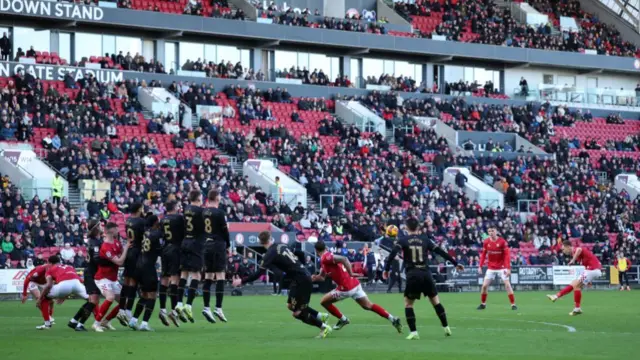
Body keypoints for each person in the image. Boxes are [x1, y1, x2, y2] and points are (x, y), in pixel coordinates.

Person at [233, 231, 333, 339]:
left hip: (301, 281)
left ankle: (324, 327)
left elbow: (258, 273)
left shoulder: (269, 254)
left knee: (298, 312)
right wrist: (302, 267)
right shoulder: (281, 245)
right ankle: (320, 316)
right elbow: (300, 253)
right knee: (290, 306)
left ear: (261, 243)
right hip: (299, 278)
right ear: (270, 238)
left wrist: (241, 281)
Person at [384, 218, 463, 340]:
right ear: (418, 227)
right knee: (436, 302)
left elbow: (393, 253)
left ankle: (414, 332)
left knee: (408, 304)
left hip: (413, 274)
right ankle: (446, 327)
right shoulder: (425, 239)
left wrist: (386, 269)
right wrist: (455, 263)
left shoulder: (403, 240)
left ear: (406, 227)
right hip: (426, 274)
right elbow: (440, 252)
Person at [312, 240, 402, 332]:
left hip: (345, 288)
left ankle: (343, 319)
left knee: (324, 302)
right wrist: (313, 278)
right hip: (354, 284)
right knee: (368, 305)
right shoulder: (325, 259)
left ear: (316, 250)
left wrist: (351, 272)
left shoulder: (325, 257)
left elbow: (344, 259)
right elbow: (322, 277)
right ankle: (393, 319)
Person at [547, 241, 603, 315]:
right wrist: (589, 279)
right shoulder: (575, 254)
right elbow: (588, 261)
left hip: (593, 269)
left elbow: (579, 249)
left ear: (568, 247)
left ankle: (558, 297)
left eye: (563, 249)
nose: (563, 251)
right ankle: (575, 307)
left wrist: (573, 260)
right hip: (591, 270)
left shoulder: (575, 250)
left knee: (576, 285)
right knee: (575, 284)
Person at [94, 222, 131, 331]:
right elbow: (119, 262)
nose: (118, 230)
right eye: (117, 228)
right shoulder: (105, 247)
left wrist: (126, 248)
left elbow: (123, 254)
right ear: (111, 230)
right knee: (110, 297)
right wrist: (127, 247)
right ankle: (96, 323)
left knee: (125, 302)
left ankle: (106, 322)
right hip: (102, 278)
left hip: (113, 279)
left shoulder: (117, 243)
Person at [175, 190, 206, 323]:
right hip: (195, 244)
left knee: (183, 274)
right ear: (198, 198)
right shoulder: (200, 211)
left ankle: (178, 303)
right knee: (196, 276)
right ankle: (188, 305)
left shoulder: (186, 209)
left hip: (185, 242)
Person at [129, 215, 163, 331]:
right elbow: (160, 251)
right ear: (155, 223)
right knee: (152, 296)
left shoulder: (146, 233)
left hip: (139, 266)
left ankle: (133, 320)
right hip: (148, 267)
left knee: (144, 295)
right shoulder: (155, 234)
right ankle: (144, 323)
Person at [202, 189, 230, 323]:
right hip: (218, 245)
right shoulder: (219, 213)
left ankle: (206, 307)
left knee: (208, 276)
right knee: (220, 276)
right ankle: (218, 308)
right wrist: (228, 244)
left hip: (206, 246)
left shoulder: (203, 212)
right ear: (217, 198)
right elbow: (225, 231)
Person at [39, 257, 88, 330]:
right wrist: (64, 297)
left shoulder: (49, 270)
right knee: (92, 300)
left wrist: (39, 299)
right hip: (77, 283)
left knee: (44, 297)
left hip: (64, 286)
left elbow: (49, 285)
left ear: (50, 263)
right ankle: (98, 322)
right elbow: (74, 282)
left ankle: (47, 324)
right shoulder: (70, 266)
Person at [477, 225, 517, 310]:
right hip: (491, 267)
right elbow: (483, 255)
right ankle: (483, 304)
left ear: (496, 231)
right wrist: (480, 266)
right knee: (484, 286)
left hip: (502, 267)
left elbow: (507, 256)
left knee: (507, 285)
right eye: (489, 231)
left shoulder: (502, 242)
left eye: (493, 231)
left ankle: (513, 304)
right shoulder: (486, 242)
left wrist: (508, 268)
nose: (491, 233)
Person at [159, 200, 185, 327]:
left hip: (165, 249)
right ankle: (174, 310)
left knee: (164, 278)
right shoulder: (179, 218)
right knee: (175, 279)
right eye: (179, 206)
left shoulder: (162, 220)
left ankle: (162, 309)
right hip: (176, 249)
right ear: (175, 207)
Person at [119, 203, 146, 321]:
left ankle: (121, 309)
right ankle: (128, 310)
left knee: (126, 281)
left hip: (129, 251)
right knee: (133, 282)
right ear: (139, 209)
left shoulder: (128, 220)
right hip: (136, 252)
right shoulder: (140, 221)